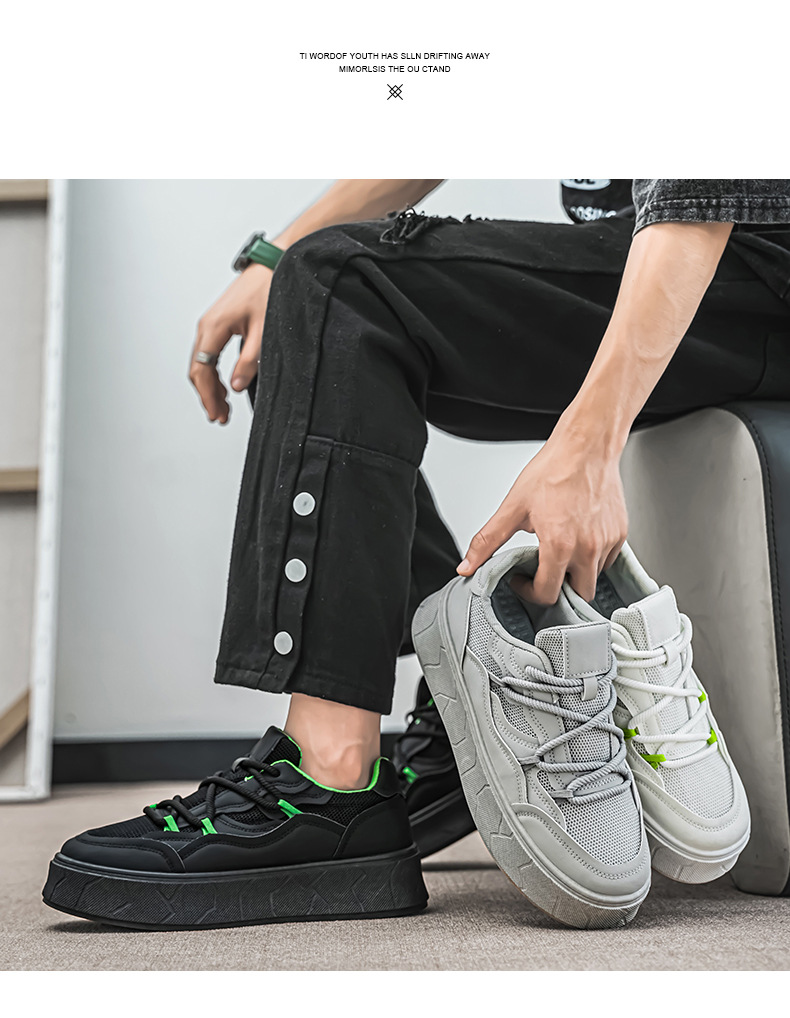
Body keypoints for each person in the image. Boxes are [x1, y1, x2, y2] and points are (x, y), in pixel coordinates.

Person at [42, 179, 790, 930]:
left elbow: (706, 189)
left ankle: (330, 784)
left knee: (340, 283)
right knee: (300, 310)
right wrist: (275, 257)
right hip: (670, 264)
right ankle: (460, 704)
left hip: (754, 272)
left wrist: (590, 445)